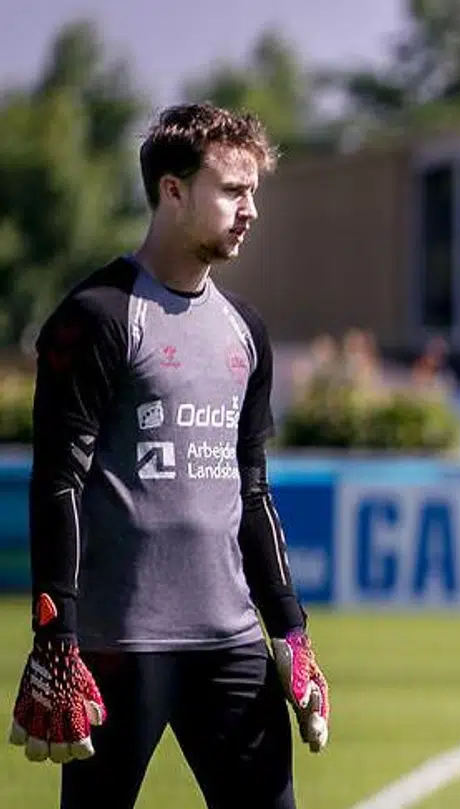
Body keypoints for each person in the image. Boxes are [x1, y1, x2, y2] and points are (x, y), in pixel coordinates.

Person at [7, 102, 330, 809]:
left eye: (254, 192)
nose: (250, 209)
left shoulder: (246, 329)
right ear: (172, 190)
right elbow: (59, 481)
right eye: (232, 190)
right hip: (118, 647)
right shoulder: (94, 316)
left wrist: (291, 628)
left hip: (233, 642)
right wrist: (57, 632)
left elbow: (252, 490)